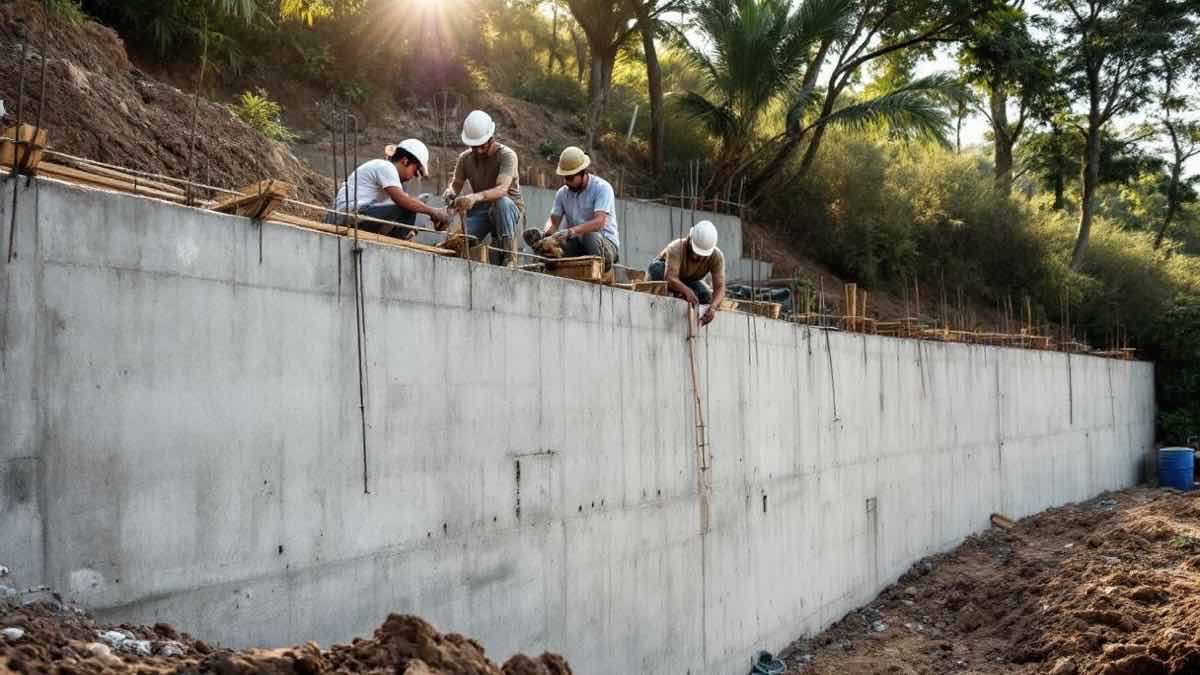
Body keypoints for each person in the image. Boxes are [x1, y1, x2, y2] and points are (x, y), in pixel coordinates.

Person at [442, 110, 523, 265]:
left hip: (509, 210)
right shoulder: (465, 159)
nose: (478, 151)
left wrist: (474, 197)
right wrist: (450, 194)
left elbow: (502, 189)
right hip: (481, 210)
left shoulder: (507, 155)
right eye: (474, 147)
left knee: (502, 203)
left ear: (491, 138)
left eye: (482, 146)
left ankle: (509, 257)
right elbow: (456, 185)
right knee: (459, 240)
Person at [326, 139, 450, 239]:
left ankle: (397, 238)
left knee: (408, 208)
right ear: (405, 161)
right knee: (407, 207)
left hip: (351, 214)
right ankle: (398, 241)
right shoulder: (386, 167)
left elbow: (400, 203)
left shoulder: (388, 176)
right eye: (415, 171)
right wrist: (433, 212)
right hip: (346, 216)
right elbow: (402, 201)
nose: (412, 177)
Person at [523, 146, 620, 271]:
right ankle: (550, 260)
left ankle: (602, 264)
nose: (566, 182)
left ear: (582, 172)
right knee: (549, 251)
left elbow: (599, 222)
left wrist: (570, 232)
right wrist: (546, 236)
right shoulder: (562, 193)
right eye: (564, 177)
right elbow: (553, 222)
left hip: (604, 243)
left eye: (570, 178)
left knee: (589, 236)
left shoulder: (602, 188)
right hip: (576, 243)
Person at [648, 220, 726, 326]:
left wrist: (713, 307)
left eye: (701, 255)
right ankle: (676, 292)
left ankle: (680, 292)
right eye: (694, 251)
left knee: (706, 296)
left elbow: (720, 288)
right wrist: (686, 291)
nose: (695, 257)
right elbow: (669, 277)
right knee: (656, 269)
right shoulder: (676, 247)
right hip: (664, 274)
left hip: (687, 281)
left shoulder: (716, 257)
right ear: (690, 239)